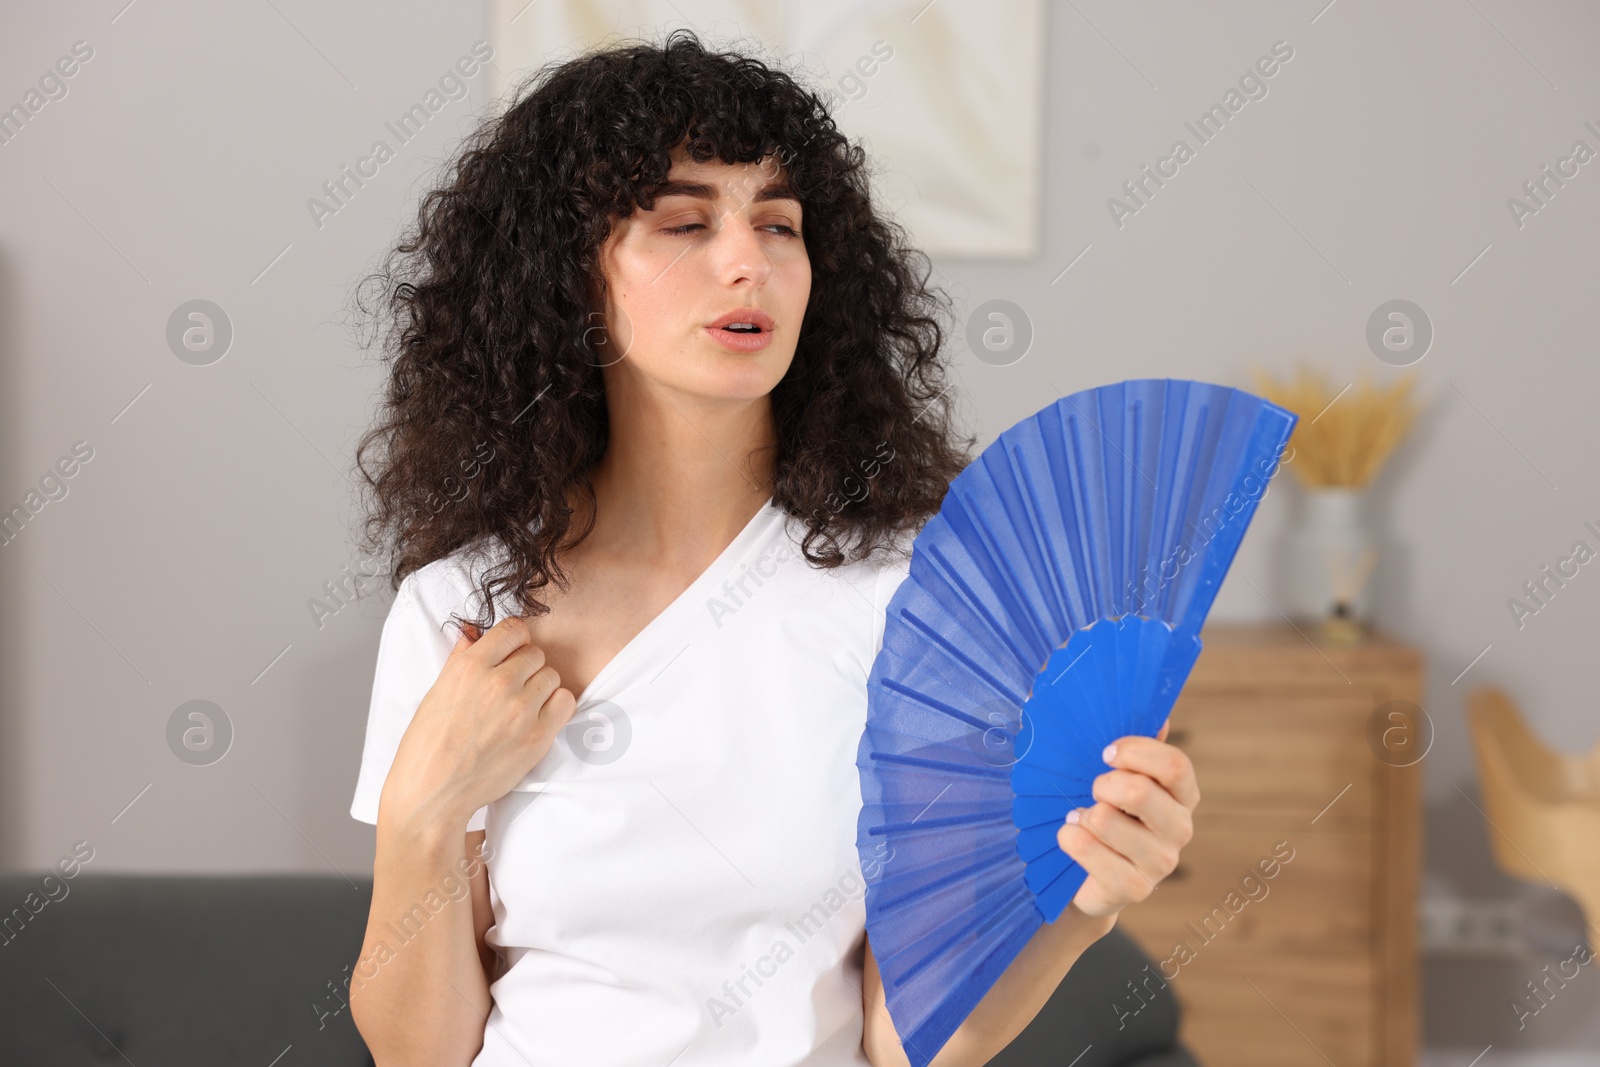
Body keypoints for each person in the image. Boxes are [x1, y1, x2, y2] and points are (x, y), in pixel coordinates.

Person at [343, 29, 1198, 1067]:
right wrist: (418, 814)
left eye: (779, 224)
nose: (747, 260)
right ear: (568, 277)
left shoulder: (907, 599)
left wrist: (1084, 900)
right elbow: (418, 1053)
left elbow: (903, 1035)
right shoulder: (463, 606)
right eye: (684, 221)